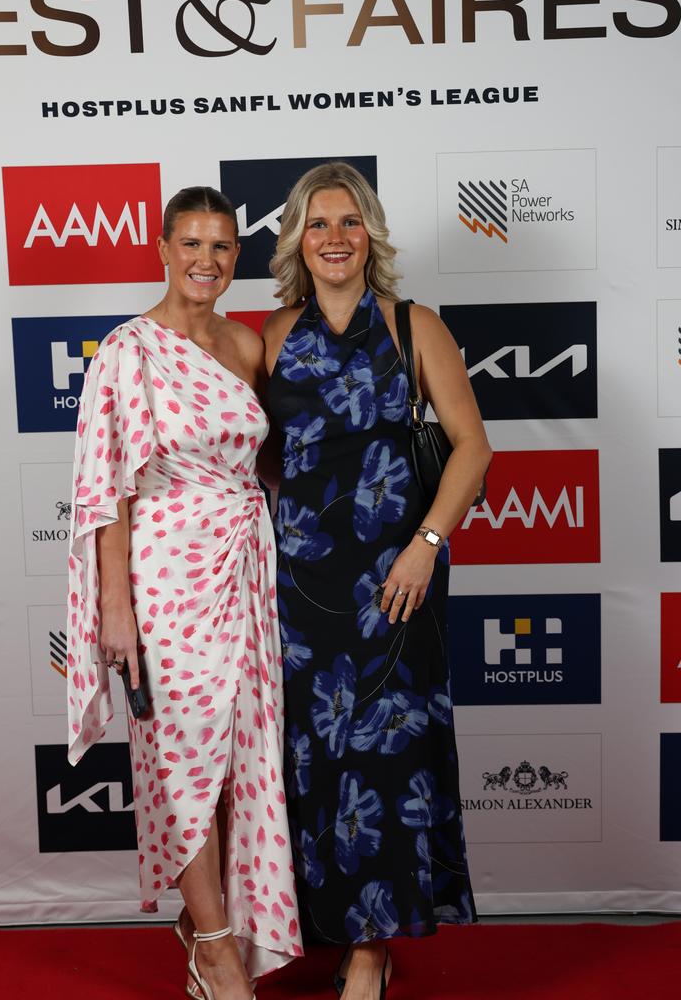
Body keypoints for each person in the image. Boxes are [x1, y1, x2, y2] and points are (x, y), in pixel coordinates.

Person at [66, 186, 302, 1000]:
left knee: (243, 760)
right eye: (191, 244)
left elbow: (268, 463)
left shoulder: (245, 344)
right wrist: (117, 609)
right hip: (165, 576)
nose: (207, 260)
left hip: (245, 568)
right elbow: (107, 494)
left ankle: (216, 920)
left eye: (222, 247)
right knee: (182, 761)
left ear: (238, 257)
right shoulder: (128, 350)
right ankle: (214, 947)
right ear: (163, 249)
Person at [263, 163, 491, 1000]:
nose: (334, 237)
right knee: (316, 758)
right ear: (296, 238)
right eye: (317, 223)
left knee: (389, 758)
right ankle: (328, 922)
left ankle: (372, 947)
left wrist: (427, 543)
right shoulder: (275, 333)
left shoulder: (410, 323)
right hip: (301, 587)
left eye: (349, 222)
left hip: (397, 579)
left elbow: (473, 447)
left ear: (371, 236)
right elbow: (256, 457)